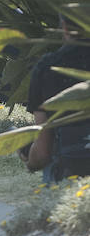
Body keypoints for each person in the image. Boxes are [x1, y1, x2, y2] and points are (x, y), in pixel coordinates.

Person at [22, 16, 90, 182]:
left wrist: (29, 161)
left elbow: (42, 153)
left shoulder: (48, 67)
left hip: (72, 168)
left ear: (64, 28)